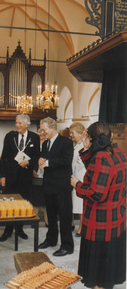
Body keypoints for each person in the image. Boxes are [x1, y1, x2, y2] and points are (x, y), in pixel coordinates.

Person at [71, 121, 126, 289]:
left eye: (87, 135)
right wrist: (88, 149)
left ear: (90, 137)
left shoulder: (102, 157)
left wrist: (77, 185)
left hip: (101, 219)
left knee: (99, 271)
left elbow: (97, 193)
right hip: (117, 216)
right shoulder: (118, 152)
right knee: (108, 263)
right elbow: (96, 172)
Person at [0, 114, 40, 242]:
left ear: (27, 124)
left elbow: (37, 156)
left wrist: (29, 162)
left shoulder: (35, 137)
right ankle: (8, 230)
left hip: (25, 178)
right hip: (11, 177)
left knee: (23, 203)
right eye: (16, 122)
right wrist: (2, 176)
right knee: (9, 204)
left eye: (20, 123)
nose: (17, 125)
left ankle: (20, 229)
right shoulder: (10, 136)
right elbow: (4, 157)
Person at [38, 117, 74, 256]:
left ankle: (67, 246)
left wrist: (47, 163)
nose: (43, 132)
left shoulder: (66, 142)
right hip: (49, 185)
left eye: (44, 129)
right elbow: (43, 159)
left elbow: (66, 161)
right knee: (51, 216)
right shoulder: (45, 144)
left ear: (53, 128)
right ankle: (51, 240)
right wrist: (40, 161)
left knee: (64, 217)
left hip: (62, 186)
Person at [69, 122, 86, 237]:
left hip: (81, 175)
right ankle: (72, 224)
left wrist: (72, 164)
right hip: (74, 175)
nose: (71, 135)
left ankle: (81, 227)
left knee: (80, 203)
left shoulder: (84, 145)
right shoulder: (76, 144)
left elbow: (81, 162)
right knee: (74, 201)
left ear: (80, 133)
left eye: (73, 133)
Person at [30, 126, 48, 227]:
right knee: (35, 200)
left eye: (43, 131)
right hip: (35, 175)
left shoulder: (49, 144)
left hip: (46, 176)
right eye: (39, 131)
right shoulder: (33, 144)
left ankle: (47, 222)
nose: (41, 133)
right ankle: (34, 222)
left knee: (46, 201)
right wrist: (32, 171)